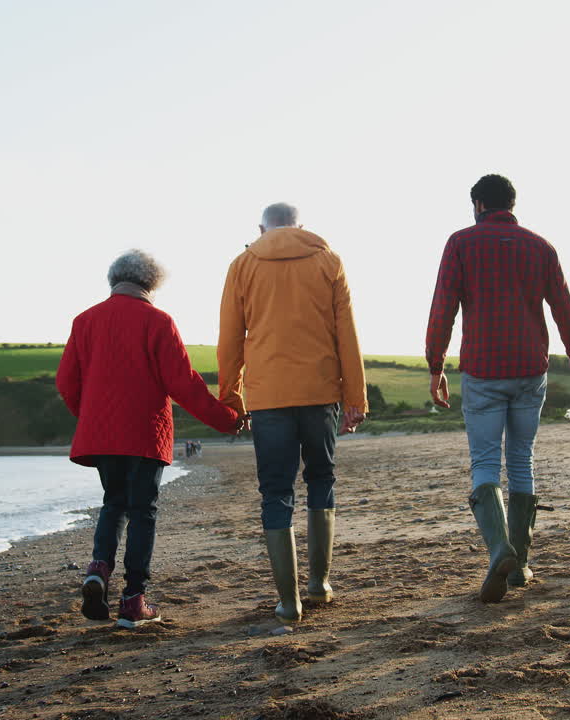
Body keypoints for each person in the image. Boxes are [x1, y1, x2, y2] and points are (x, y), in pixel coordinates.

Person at [425, 174, 570, 602]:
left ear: (478, 204)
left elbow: (443, 306)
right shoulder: (541, 247)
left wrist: (435, 364)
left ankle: (501, 549)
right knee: (521, 460)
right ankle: (519, 567)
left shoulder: (461, 243)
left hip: (482, 369)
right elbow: (564, 310)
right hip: (528, 368)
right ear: (512, 205)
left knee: (484, 461)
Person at [57, 250, 242, 628]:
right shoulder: (158, 321)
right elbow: (183, 384)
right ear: (152, 283)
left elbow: (66, 382)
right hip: (145, 433)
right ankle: (132, 601)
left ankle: (98, 568)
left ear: (114, 279)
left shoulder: (84, 321)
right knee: (142, 511)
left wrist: (91, 418)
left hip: (103, 434)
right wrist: (227, 420)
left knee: (113, 504)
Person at [217, 202, 368, 623]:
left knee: (275, 490)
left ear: (261, 228)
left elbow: (230, 336)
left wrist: (231, 398)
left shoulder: (242, 265)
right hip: (320, 392)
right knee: (322, 478)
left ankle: (289, 601)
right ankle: (319, 584)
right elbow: (347, 333)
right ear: (300, 226)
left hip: (268, 397)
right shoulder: (328, 260)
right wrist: (356, 397)